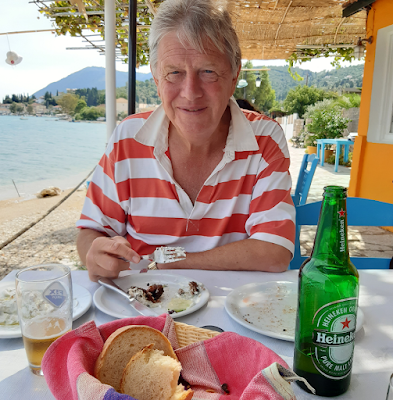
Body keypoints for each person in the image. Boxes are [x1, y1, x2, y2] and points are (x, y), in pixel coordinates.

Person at [76, 0, 295, 282]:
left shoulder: (264, 138)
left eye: (208, 71)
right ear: (156, 78)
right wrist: (95, 254)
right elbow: (91, 232)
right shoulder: (127, 138)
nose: (190, 93)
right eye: (174, 73)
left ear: (234, 75)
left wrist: (169, 261)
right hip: (141, 304)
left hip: (232, 312)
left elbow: (274, 252)